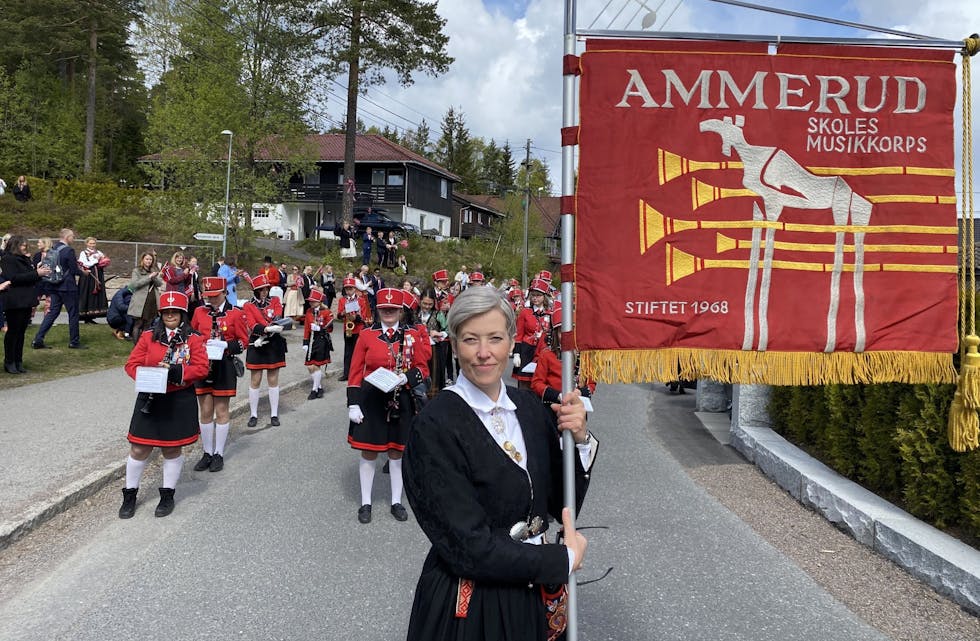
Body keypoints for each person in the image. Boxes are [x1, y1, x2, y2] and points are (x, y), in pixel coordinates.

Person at [402, 286, 596, 641]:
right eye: (470, 339)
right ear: (455, 344)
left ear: (511, 341)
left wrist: (579, 439)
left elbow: (561, 504)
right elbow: (467, 545)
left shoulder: (529, 409)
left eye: (495, 338)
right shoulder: (434, 425)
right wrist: (560, 562)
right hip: (475, 604)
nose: (484, 353)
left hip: (535, 595)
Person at [118, 291, 209, 519]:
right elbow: (131, 364)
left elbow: (202, 368)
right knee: (139, 448)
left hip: (178, 399)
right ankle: (130, 495)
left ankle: (167, 494)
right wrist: (148, 375)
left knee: (172, 448)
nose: (170, 315)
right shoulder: (149, 336)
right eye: (166, 312)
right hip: (150, 397)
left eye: (174, 312)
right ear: (161, 314)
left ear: (182, 314)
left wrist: (177, 372)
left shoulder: (194, 338)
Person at [345, 288, 429, 524]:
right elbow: (354, 372)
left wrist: (407, 378)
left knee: (396, 452)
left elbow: (423, 368)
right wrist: (353, 404)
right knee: (369, 451)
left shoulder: (411, 334)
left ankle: (396, 501)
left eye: (393, 309)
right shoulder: (366, 336)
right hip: (371, 399)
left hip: (400, 398)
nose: (389, 313)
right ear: (378, 310)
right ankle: (366, 503)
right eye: (384, 309)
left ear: (401, 311)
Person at [191, 276, 249, 473]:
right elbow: (192, 335)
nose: (211, 300)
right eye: (208, 297)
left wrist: (226, 344)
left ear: (225, 292)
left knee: (221, 410)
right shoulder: (199, 311)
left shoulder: (236, 313)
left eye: (215, 296)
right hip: (203, 365)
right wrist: (200, 345)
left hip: (224, 365)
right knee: (205, 410)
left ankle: (218, 453)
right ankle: (207, 452)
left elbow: (244, 341)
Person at [1, 235, 52, 373]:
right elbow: (14, 278)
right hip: (15, 299)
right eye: (23, 245)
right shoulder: (8, 259)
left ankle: (18, 360)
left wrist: (38, 271)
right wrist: (36, 273)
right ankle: (9, 361)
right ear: (15, 245)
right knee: (13, 331)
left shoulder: (25, 259)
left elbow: (30, 276)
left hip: (26, 299)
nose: (25, 247)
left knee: (21, 332)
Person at [243, 274, 287, 427]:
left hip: (274, 342)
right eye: (261, 290)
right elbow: (251, 324)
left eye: (266, 289)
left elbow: (278, 316)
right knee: (255, 380)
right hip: (256, 343)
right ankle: (253, 414)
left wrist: (271, 328)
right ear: (255, 291)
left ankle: (274, 413)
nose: (264, 292)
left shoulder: (275, 300)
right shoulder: (248, 305)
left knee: (273, 379)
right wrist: (265, 330)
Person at [32, 228, 85, 350]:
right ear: (67, 237)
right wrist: (83, 273)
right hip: (67, 286)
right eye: (72, 236)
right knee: (73, 314)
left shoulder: (52, 249)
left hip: (53, 285)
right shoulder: (69, 250)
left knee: (52, 312)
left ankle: (38, 339)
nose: (74, 239)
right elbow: (74, 270)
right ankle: (74, 341)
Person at [531, 307, 596, 404]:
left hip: (577, 404)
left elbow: (591, 383)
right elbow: (536, 384)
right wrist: (557, 395)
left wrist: (579, 392)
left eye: (571, 331)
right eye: (562, 332)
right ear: (555, 334)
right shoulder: (546, 354)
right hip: (553, 404)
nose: (567, 336)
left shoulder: (585, 355)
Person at [512, 279, 553, 389]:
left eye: (538, 295)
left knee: (540, 383)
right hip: (526, 351)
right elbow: (518, 334)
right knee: (524, 385)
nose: (535, 298)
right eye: (533, 295)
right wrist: (516, 354)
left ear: (544, 296)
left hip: (542, 352)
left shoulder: (550, 314)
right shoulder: (525, 312)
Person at [336, 276, 372, 381]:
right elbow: (338, 315)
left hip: (358, 328)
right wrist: (342, 313)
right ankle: (346, 373)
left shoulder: (361, 300)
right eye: (347, 289)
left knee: (358, 353)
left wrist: (356, 317)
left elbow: (364, 316)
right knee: (348, 352)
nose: (348, 291)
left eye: (350, 288)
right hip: (347, 328)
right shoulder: (342, 300)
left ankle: (358, 373)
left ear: (354, 289)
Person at [302, 289, 334, 399]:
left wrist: (320, 328)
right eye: (310, 301)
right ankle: (319, 387)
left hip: (321, 340)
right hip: (311, 340)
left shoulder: (326, 312)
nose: (311, 303)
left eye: (313, 301)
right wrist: (305, 342)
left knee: (316, 365)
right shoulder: (309, 312)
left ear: (319, 302)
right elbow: (306, 327)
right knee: (310, 366)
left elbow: (330, 328)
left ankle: (314, 389)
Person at [126, 252, 164, 343]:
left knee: (148, 324)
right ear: (143, 260)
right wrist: (149, 277)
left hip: (152, 301)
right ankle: (136, 345)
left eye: (150, 259)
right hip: (141, 301)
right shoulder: (137, 271)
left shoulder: (153, 270)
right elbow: (134, 284)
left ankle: (144, 344)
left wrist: (154, 277)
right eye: (147, 259)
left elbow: (159, 284)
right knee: (138, 324)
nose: (149, 261)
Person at [418, 290, 449, 392]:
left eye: (430, 304)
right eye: (424, 303)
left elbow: (447, 329)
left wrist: (439, 334)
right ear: (420, 301)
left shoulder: (437, 314)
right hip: (418, 350)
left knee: (434, 375)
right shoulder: (414, 314)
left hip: (434, 350)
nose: (427, 306)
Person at [77, 237, 109, 323]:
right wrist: (96, 259)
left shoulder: (98, 252)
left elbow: (104, 260)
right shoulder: (83, 253)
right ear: (87, 244)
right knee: (87, 294)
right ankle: (86, 316)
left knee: (95, 296)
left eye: (93, 243)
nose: (92, 245)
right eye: (90, 243)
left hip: (98, 275)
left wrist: (103, 261)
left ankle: (92, 316)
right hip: (88, 276)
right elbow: (85, 264)